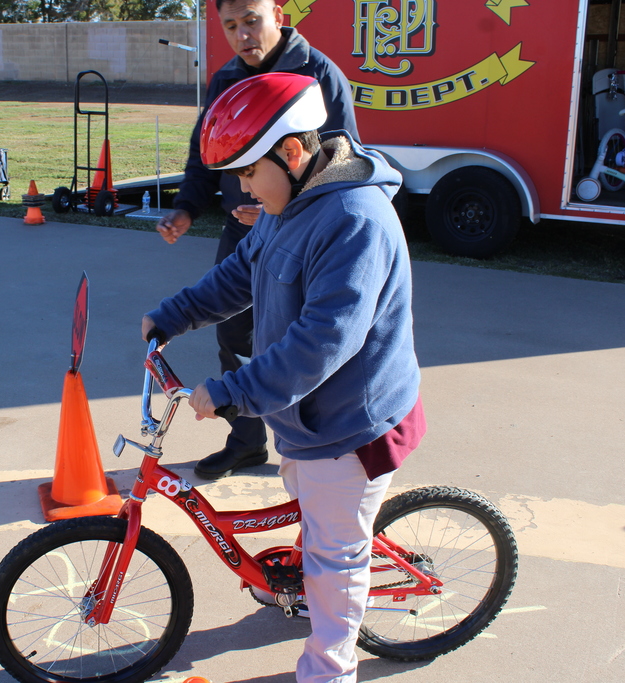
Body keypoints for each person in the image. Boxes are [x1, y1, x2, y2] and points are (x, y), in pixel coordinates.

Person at [142, 73, 426, 683]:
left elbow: (323, 341)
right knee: (311, 513)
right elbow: (241, 272)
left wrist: (232, 393)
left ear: (293, 154)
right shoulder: (285, 205)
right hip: (303, 417)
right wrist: (174, 315)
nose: (242, 189)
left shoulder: (354, 219)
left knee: (335, 559)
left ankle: (329, 668)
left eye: (248, 173)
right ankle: (310, 586)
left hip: (351, 425)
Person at [155, 0, 360, 480]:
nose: (242, 34)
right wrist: (187, 207)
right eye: (230, 26)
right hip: (243, 231)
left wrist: (284, 206)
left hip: (305, 234)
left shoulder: (318, 74)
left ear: (279, 15)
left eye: (251, 20)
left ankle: (311, 441)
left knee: (300, 334)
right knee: (235, 335)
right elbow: (204, 150)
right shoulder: (227, 77)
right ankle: (247, 441)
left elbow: (341, 159)